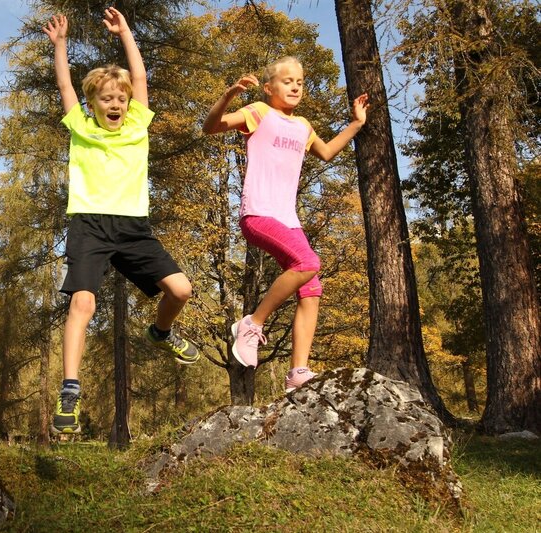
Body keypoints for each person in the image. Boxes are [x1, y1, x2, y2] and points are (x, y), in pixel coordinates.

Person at [43, 8, 200, 435]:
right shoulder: (80, 126)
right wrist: (60, 45)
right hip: (89, 224)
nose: (115, 104)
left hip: (133, 226)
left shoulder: (137, 127)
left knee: (180, 289)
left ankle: (161, 332)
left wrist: (126, 32)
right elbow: (64, 84)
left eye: (121, 98)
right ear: (92, 103)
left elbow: (141, 79)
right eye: (106, 99)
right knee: (83, 303)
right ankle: (70, 388)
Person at [202, 56, 369, 392]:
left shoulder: (303, 125)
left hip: (288, 220)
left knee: (311, 288)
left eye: (300, 82)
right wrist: (228, 95)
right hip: (259, 213)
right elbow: (211, 127)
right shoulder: (259, 114)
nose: (295, 86)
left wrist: (356, 123)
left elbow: (326, 152)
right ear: (269, 88)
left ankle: (298, 374)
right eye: (287, 81)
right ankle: (251, 324)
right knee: (308, 262)